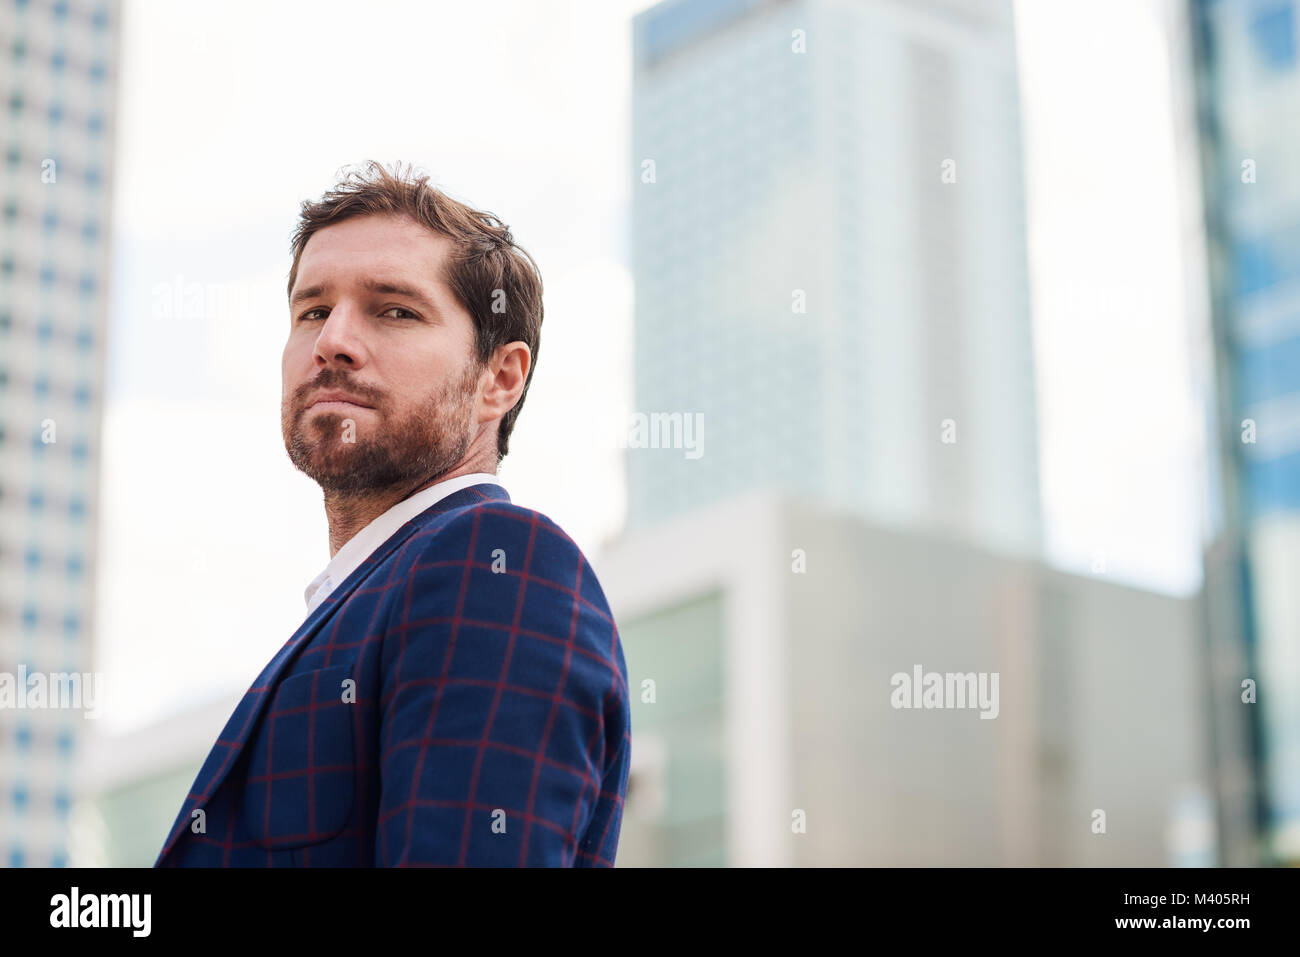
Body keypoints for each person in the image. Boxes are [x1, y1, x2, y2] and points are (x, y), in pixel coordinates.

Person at [155, 161, 631, 867]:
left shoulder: (496, 563)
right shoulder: (363, 606)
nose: (332, 341)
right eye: (313, 310)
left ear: (498, 378)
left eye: (395, 310)